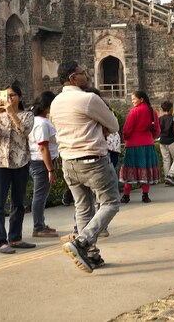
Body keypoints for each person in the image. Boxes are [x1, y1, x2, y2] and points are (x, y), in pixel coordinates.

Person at [51, 61, 120, 273]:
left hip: (68, 161)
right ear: (73, 78)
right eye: (83, 73)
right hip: (93, 160)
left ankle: (91, 255)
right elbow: (115, 125)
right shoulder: (88, 98)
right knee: (110, 203)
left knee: (83, 207)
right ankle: (83, 241)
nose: (87, 75)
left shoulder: (56, 102)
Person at [0, 82, 35, 254]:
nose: (9, 98)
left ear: (19, 97)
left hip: (20, 162)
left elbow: (24, 130)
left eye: (12, 95)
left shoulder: (27, 115)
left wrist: (12, 113)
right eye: (6, 95)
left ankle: (15, 237)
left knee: (18, 203)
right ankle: (0, 241)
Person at [28, 91, 59, 238]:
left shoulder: (35, 121)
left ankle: (40, 223)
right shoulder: (41, 124)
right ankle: (38, 227)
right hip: (41, 162)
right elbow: (43, 147)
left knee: (41, 195)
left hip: (38, 161)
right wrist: (50, 170)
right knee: (39, 195)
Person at [120, 91, 161, 203]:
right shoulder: (153, 112)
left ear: (141, 99)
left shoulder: (134, 112)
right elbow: (157, 130)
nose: (132, 101)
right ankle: (145, 195)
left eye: (134, 99)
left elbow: (127, 129)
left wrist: (126, 138)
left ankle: (126, 195)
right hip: (148, 144)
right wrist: (149, 137)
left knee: (130, 170)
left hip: (133, 145)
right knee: (145, 169)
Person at [157, 101, 174, 186]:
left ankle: (167, 177)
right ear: (171, 109)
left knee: (166, 160)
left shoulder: (159, 119)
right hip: (171, 141)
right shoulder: (173, 119)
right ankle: (170, 175)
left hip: (162, 141)